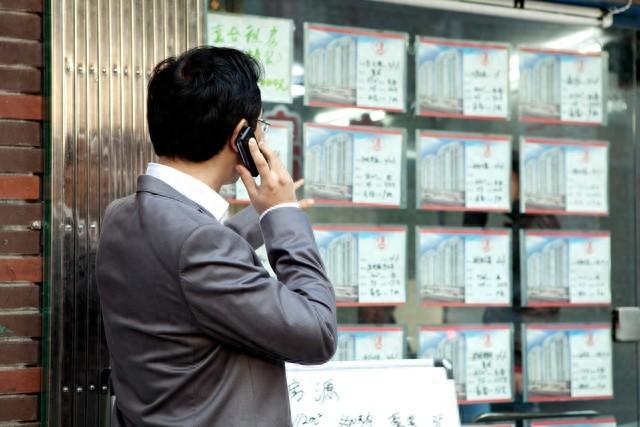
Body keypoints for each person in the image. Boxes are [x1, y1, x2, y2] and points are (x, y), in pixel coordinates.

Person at [96, 46, 338, 427]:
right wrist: (282, 216)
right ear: (241, 136)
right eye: (260, 125)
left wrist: (261, 218)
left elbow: (182, 270)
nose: (262, 135)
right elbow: (318, 332)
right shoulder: (200, 245)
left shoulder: (121, 215)